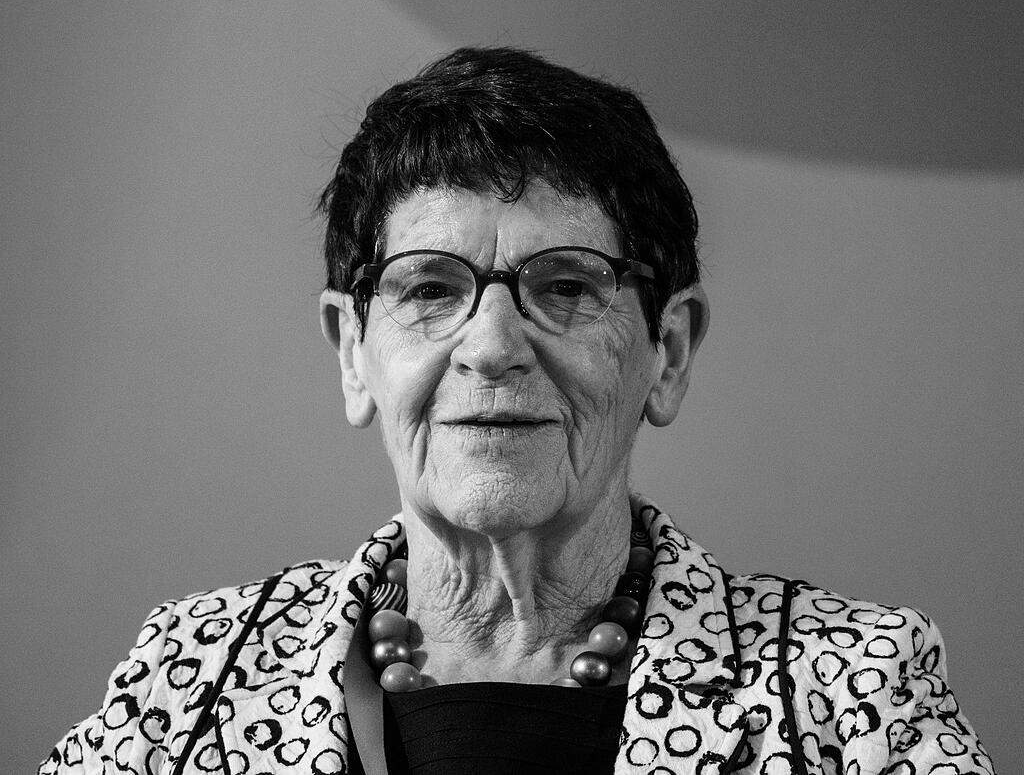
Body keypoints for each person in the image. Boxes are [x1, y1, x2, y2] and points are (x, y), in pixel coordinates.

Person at [39, 46, 992, 775]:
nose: (492, 345)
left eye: (567, 285)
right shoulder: (187, 678)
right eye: (428, 288)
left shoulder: (851, 692)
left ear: (667, 351)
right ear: (352, 351)